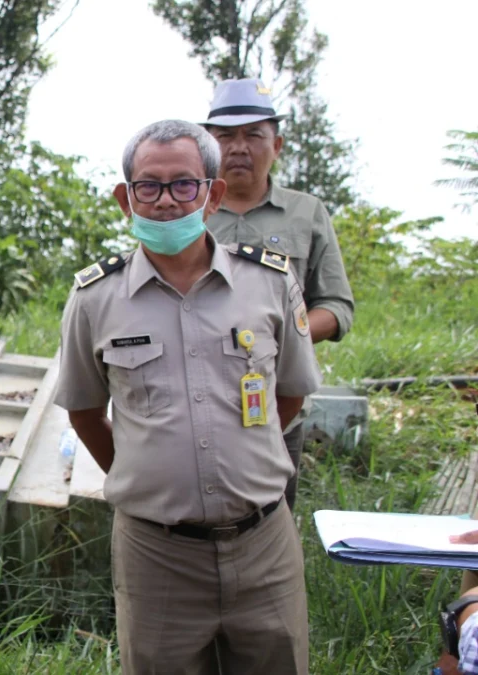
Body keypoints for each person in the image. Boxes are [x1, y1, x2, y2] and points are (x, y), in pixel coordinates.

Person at [54, 119, 322, 674]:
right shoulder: (94, 298)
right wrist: (147, 475)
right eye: (148, 187)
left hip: (264, 546)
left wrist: (243, 461)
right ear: (125, 200)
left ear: (212, 193)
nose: (167, 201)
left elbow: (288, 396)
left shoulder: (269, 282)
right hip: (157, 555)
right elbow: (84, 411)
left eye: (184, 184)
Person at [202, 78, 355, 508]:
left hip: (277, 408)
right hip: (195, 403)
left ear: (277, 145)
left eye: (253, 135)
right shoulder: (186, 212)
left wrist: (283, 330)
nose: (238, 147)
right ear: (207, 148)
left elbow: (337, 307)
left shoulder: (306, 213)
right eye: (225, 137)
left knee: (269, 523)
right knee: (188, 525)